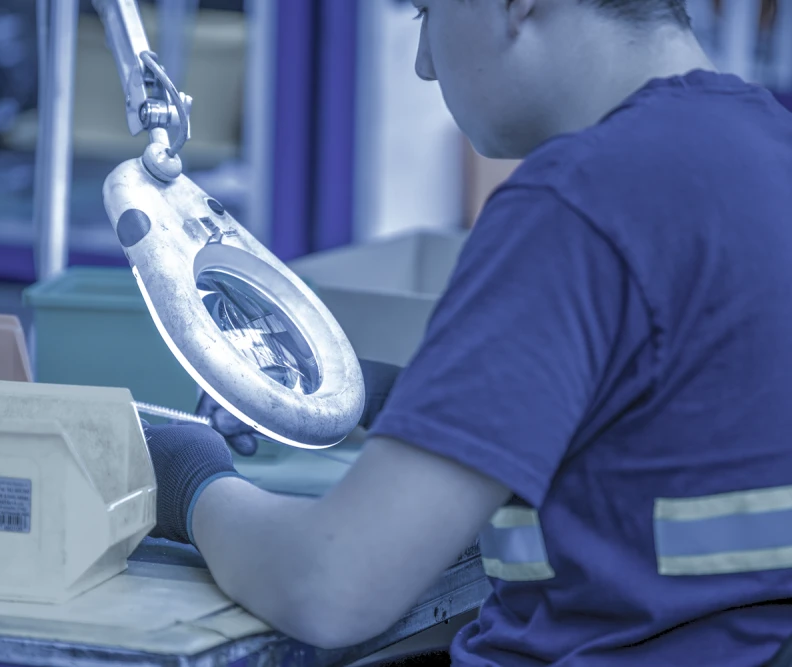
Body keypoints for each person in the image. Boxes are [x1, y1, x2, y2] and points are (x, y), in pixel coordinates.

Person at [143, 0, 792, 664]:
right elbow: (673, 439)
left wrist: (186, 478)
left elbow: (329, 584)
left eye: (427, 13)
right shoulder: (769, 149)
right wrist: (395, 401)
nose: (424, 64)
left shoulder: (575, 202)